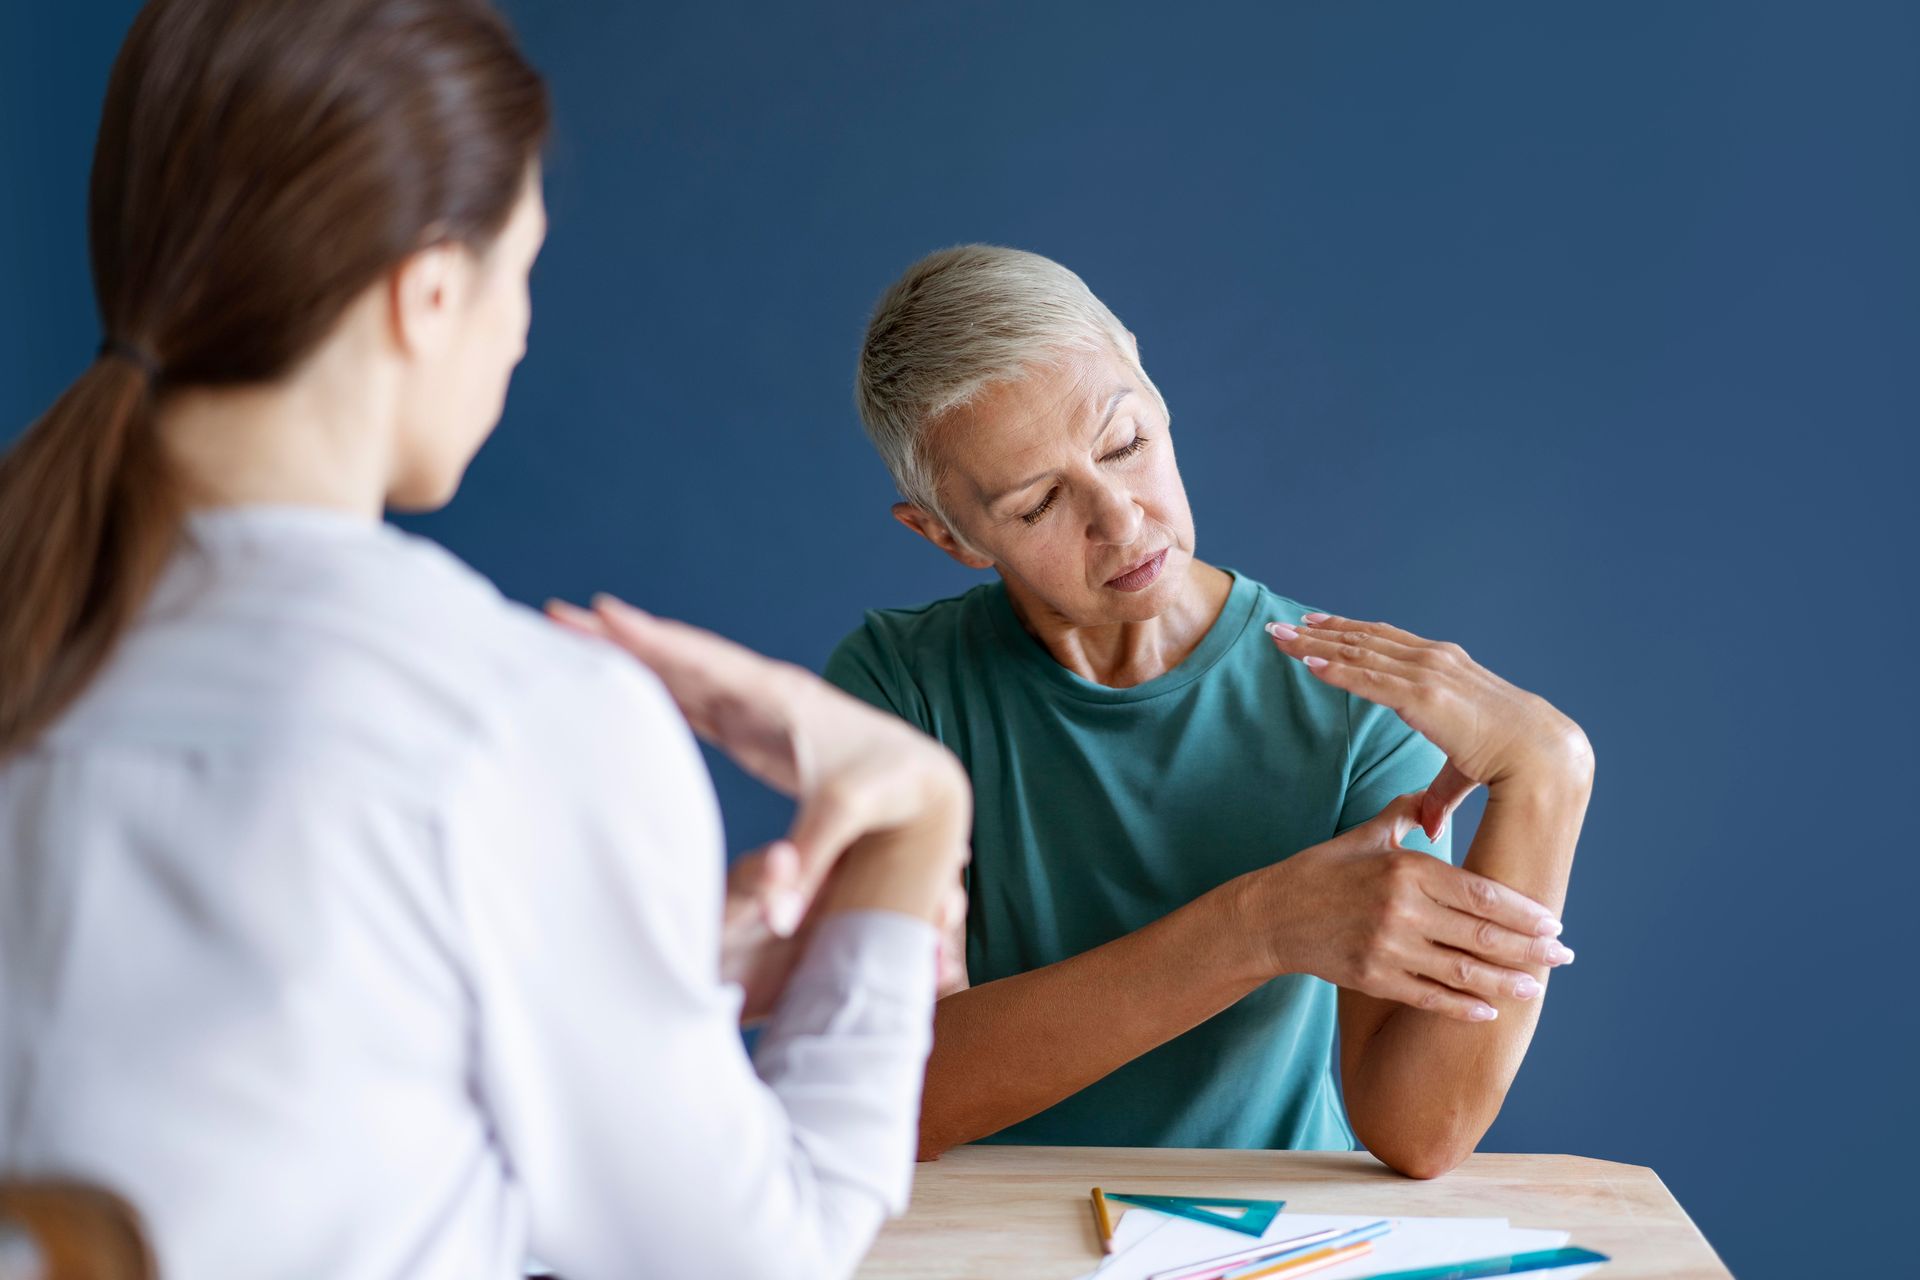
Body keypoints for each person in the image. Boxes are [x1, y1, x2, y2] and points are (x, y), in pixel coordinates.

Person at [0, 3, 967, 1277]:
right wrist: (916, 813)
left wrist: (658, 976)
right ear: (433, 289)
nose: (518, 328)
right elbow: (763, 1255)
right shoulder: (508, 719)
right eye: (522, 271)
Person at [827, 245, 1596, 1177]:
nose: (1120, 521)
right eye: (1037, 506)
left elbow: (1419, 1128)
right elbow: (884, 1100)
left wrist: (1549, 775)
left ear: (1153, 388)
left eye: (1125, 444)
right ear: (946, 534)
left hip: (1266, 1249)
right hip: (1001, 1247)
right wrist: (1257, 928)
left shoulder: (1351, 696)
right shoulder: (900, 691)